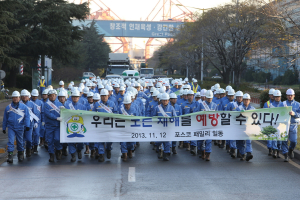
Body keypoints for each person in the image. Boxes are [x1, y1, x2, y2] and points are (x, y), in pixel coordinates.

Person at [3, 91, 30, 163]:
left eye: (17, 97)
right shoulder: (8, 107)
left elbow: (27, 117)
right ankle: (10, 156)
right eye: (14, 97)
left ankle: (20, 154)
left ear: (19, 98)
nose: (15, 99)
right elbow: (5, 118)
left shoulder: (24, 107)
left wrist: (27, 125)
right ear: (12, 98)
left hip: (20, 127)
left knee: (20, 141)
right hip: (11, 127)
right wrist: (4, 127)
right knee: (11, 141)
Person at [93, 89, 117, 162]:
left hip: (109, 126)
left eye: (105, 96)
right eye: (102, 96)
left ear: (108, 96)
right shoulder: (97, 104)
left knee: (109, 140)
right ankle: (101, 155)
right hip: (100, 126)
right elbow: (92, 114)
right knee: (101, 140)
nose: (104, 97)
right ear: (100, 96)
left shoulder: (112, 104)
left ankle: (108, 149)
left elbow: (116, 113)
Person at [64, 90, 87, 162]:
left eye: (76, 97)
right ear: (71, 97)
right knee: (70, 140)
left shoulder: (82, 106)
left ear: (79, 98)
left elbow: (86, 116)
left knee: (80, 141)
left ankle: (79, 150)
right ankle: (73, 155)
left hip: (80, 127)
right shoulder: (67, 106)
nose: (75, 98)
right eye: (73, 97)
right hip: (70, 126)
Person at [152, 93, 176, 161]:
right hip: (159, 128)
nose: (165, 101)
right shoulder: (157, 108)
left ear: (168, 100)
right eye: (163, 100)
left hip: (168, 128)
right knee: (159, 141)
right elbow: (153, 117)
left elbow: (175, 117)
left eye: (166, 100)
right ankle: (159, 151)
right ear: (161, 100)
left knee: (167, 141)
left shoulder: (171, 108)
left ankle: (166, 154)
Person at [279, 88, 300, 162]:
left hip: (293, 125)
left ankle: (291, 149)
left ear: (294, 95)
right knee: (284, 140)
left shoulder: (298, 104)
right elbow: (278, 113)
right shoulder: (282, 104)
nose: (290, 96)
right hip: (284, 125)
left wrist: (295, 114)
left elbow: (299, 114)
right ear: (286, 96)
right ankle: (286, 155)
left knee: (294, 141)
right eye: (288, 95)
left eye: (291, 95)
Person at [44, 89, 64, 162]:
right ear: (48, 96)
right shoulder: (46, 104)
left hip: (58, 126)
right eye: (51, 96)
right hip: (49, 126)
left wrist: (64, 111)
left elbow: (64, 113)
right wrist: (56, 118)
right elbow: (48, 114)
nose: (52, 97)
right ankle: (51, 155)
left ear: (56, 96)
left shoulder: (60, 104)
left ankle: (59, 150)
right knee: (50, 141)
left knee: (57, 139)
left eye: (54, 95)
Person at [197, 90, 218, 161]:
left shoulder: (215, 106)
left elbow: (218, 116)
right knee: (200, 141)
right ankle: (202, 151)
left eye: (210, 98)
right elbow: (195, 114)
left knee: (208, 140)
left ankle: (208, 154)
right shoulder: (201, 105)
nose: (209, 99)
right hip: (201, 126)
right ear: (205, 97)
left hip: (210, 126)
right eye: (208, 98)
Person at [118, 95, 140, 161]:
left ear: (130, 103)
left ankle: (130, 150)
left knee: (131, 142)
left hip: (131, 128)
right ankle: (124, 154)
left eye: (128, 104)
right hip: (123, 128)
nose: (127, 106)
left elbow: (138, 118)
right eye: (126, 104)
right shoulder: (121, 109)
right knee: (123, 142)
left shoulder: (134, 109)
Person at [235, 93, 255, 161]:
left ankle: (249, 153)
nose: (246, 101)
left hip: (249, 128)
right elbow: (234, 116)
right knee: (241, 142)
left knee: (248, 140)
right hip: (240, 128)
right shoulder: (239, 108)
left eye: (247, 100)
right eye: (245, 100)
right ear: (243, 100)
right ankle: (242, 153)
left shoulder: (253, 109)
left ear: (250, 100)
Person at [20, 90, 39, 158]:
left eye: (26, 96)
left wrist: (36, 122)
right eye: (23, 96)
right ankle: (21, 152)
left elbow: (36, 114)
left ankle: (28, 148)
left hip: (30, 124)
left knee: (29, 139)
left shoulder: (32, 104)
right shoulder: (18, 104)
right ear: (21, 97)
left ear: (28, 97)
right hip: (20, 125)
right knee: (21, 140)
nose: (24, 97)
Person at [226, 91, 244, 158]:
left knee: (240, 139)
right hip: (233, 123)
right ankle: (233, 150)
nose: (239, 98)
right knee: (233, 137)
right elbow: (226, 113)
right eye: (238, 97)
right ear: (236, 97)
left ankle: (239, 152)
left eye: (241, 97)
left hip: (241, 124)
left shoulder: (244, 105)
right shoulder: (231, 104)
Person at [30, 89, 44, 154]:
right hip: (30, 121)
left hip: (38, 121)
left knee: (37, 134)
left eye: (36, 96)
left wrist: (43, 121)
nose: (34, 97)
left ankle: (35, 146)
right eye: (33, 96)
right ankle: (31, 146)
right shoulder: (29, 101)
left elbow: (42, 112)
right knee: (30, 134)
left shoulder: (40, 102)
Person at [270, 90, 282, 159]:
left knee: (279, 139)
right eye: (276, 97)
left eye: (278, 97)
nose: (277, 98)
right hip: (274, 124)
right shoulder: (271, 105)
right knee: (274, 138)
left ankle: (278, 152)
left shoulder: (283, 105)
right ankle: (274, 151)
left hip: (281, 125)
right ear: (274, 97)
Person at [264, 88, 276, 156]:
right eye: (271, 95)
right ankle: (270, 149)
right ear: (269, 95)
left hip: (276, 122)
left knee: (275, 136)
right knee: (269, 137)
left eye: (273, 95)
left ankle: (274, 150)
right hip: (268, 122)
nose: (273, 96)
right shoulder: (267, 104)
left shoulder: (279, 103)